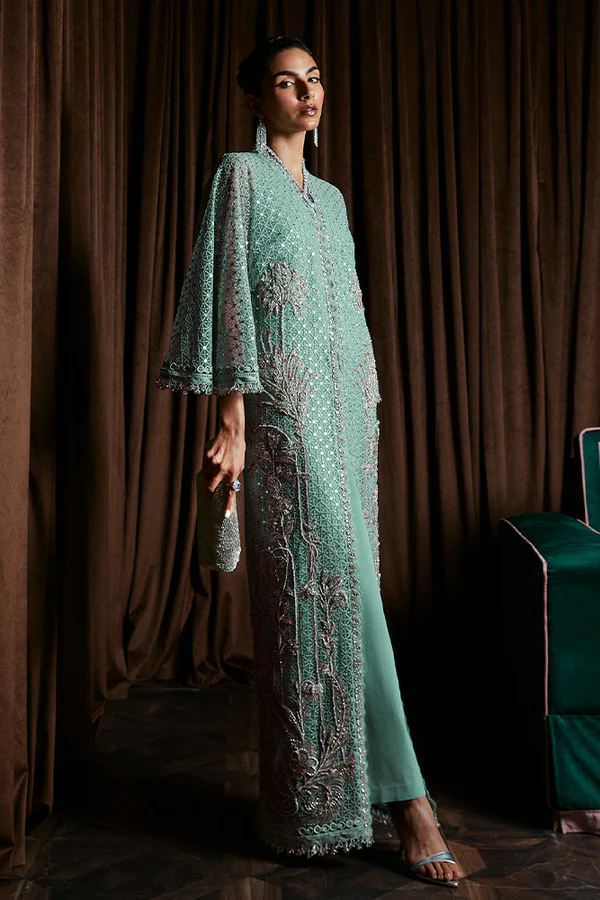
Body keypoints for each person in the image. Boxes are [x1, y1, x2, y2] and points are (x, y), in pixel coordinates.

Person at [156, 34, 465, 889]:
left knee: (344, 598)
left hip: (350, 419)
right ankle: (405, 802)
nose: (307, 93)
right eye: (288, 82)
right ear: (258, 99)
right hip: (286, 421)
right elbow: (228, 296)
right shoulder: (240, 178)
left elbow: (349, 312)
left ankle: (333, 803)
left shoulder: (329, 200)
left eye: (315, 80)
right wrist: (232, 419)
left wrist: (368, 398)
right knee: (321, 597)